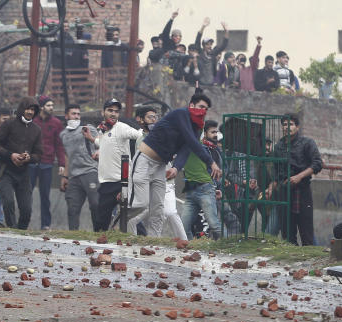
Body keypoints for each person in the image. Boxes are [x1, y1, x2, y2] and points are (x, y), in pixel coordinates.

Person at [131, 91, 221, 238]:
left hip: (161, 165)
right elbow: (190, 139)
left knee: (159, 208)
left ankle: (153, 242)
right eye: (200, 107)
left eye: (205, 109)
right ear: (191, 105)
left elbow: (187, 148)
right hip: (144, 160)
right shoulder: (181, 114)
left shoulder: (198, 127)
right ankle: (125, 227)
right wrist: (210, 162)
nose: (203, 111)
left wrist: (176, 167)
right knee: (141, 203)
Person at [85, 98, 142, 232]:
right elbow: (104, 142)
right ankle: (100, 244)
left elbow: (139, 135)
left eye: (116, 111)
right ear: (102, 112)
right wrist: (92, 140)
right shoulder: (103, 129)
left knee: (130, 218)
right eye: (110, 110)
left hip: (122, 181)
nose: (113, 114)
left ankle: (143, 240)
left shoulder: (121, 127)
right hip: (106, 181)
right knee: (101, 221)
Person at [266, 114, 322, 246]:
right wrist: (271, 187)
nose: (287, 127)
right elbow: (276, 171)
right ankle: (291, 261)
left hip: (302, 192)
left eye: (290, 124)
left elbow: (317, 163)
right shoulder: (278, 146)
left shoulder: (307, 143)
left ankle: (309, 260)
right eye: (284, 125)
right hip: (284, 193)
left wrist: (299, 176)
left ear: (297, 127)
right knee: (287, 234)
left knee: (306, 232)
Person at [0, 97, 43, 229]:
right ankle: (12, 229)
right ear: (21, 109)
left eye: (33, 110)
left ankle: (21, 232)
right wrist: (10, 155)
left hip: (23, 173)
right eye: (28, 109)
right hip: (6, 170)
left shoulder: (36, 130)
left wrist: (28, 158)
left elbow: (39, 154)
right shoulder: (9, 124)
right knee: (7, 202)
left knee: (26, 209)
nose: (30, 112)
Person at [180, 119, 224, 240]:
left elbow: (215, 172)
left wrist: (215, 187)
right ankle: (191, 248)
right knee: (183, 227)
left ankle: (226, 248)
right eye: (212, 132)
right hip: (190, 191)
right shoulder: (192, 146)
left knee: (214, 225)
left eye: (216, 132)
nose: (215, 134)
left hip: (205, 189)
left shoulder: (212, 150)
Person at [59, 104, 98, 231]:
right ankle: (73, 236)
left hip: (90, 171)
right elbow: (66, 155)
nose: (76, 117)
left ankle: (99, 233)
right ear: (66, 116)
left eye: (78, 114)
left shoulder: (88, 128)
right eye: (73, 114)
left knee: (96, 204)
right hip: (74, 176)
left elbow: (102, 143)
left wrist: (90, 138)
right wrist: (65, 175)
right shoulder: (63, 135)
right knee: (72, 208)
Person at [30, 96, 65, 230]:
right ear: (42, 107)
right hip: (32, 162)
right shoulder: (33, 121)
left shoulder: (56, 123)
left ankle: (46, 224)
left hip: (47, 163)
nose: (52, 108)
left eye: (52, 105)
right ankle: (24, 221)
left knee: (45, 195)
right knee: (27, 193)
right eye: (49, 105)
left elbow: (59, 145)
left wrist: (62, 164)